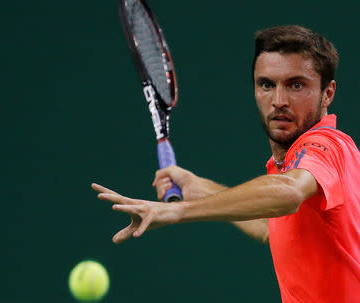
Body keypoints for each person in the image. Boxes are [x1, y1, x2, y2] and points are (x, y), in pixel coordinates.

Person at [92, 25, 360, 303]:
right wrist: (202, 188)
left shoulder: (327, 145)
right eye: (267, 84)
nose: (279, 101)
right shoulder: (291, 162)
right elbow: (275, 228)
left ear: (327, 93)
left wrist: (179, 211)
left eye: (296, 85)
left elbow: (289, 192)